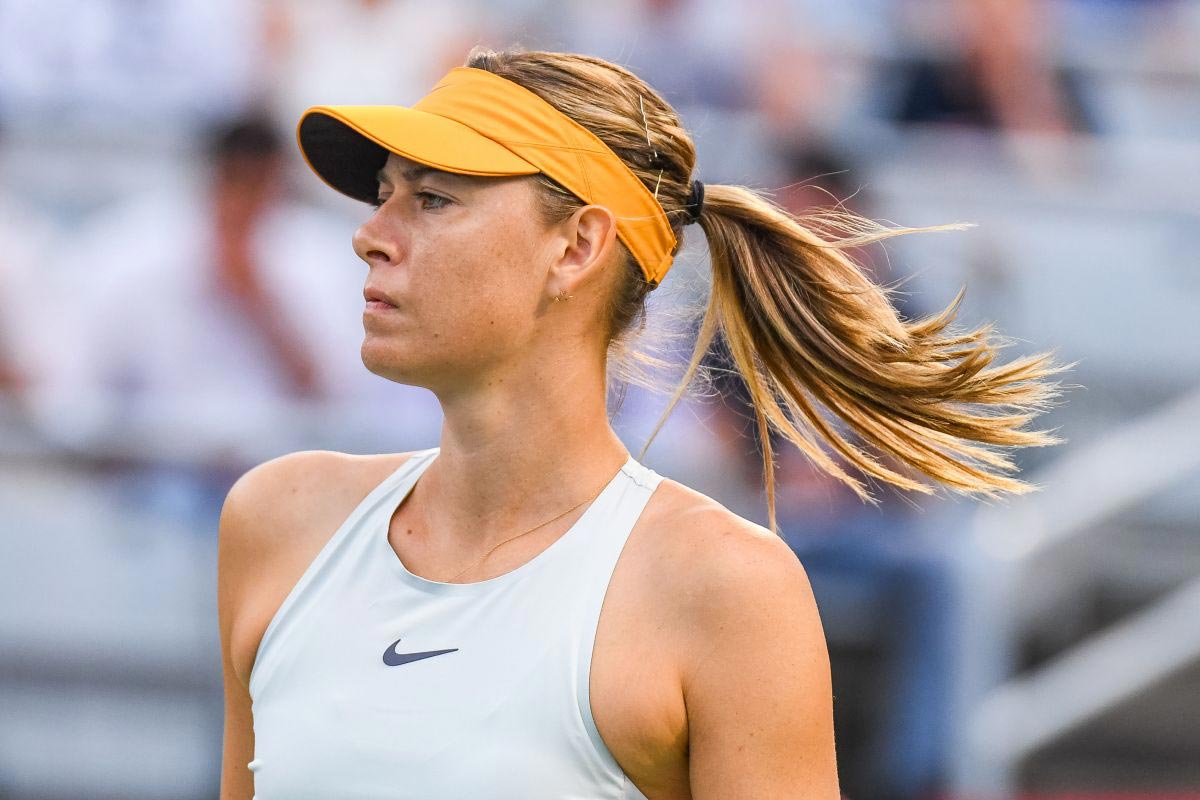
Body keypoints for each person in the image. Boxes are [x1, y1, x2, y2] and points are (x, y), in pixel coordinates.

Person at [217, 47, 1068, 799]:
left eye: (433, 199)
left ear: (578, 246)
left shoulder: (729, 590)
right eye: (382, 195)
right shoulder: (276, 522)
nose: (371, 234)